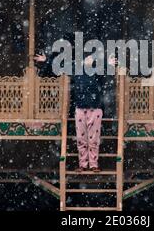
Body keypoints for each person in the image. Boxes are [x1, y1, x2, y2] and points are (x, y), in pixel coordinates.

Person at [34, 44, 116, 173]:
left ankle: (93, 164)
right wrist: (46, 60)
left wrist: (109, 63)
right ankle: (83, 164)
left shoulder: (98, 69)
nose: (89, 59)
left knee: (93, 139)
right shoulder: (76, 69)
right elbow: (58, 66)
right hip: (80, 109)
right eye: (87, 57)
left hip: (95, 109)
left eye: (91, 58)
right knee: (81, 139)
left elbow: (108, 68)